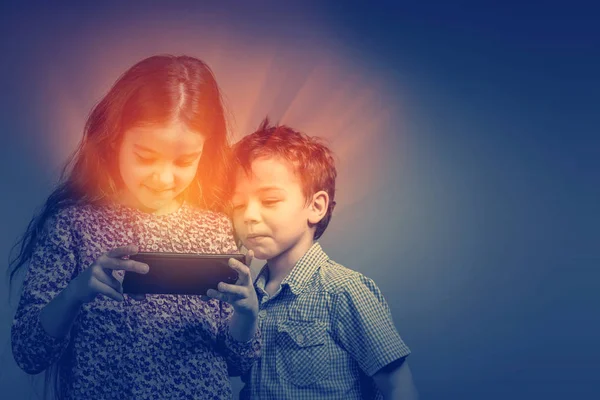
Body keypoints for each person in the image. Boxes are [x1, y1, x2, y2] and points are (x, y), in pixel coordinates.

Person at [9, 55, 260, 400]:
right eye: (145, 156)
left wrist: (247, 314)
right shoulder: (72, 225)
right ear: (116, 141)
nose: (164, 178)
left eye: (185, 161)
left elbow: (238, 364)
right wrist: (75, 293)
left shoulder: (216, 228)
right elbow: (29, 352)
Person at [229, 118, 418, 399]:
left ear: (316, 207)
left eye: (269, 201)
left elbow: (398, 388)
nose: (249, 216)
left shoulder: (344, 290)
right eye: (238, 205)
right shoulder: (248, 297)